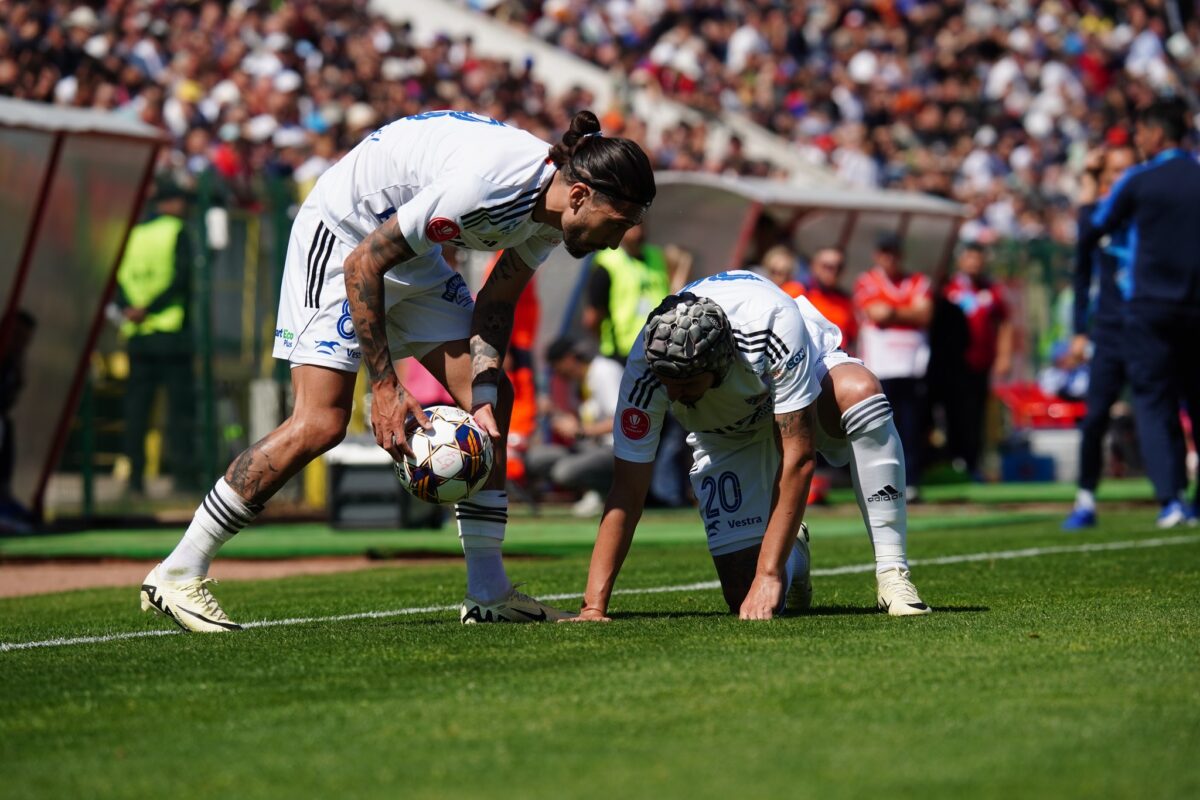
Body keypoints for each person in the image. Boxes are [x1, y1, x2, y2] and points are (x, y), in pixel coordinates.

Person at [140, 109, 656, 631]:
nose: (614, 243)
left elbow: (497, 304)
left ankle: (488, 592)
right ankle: (179, 570)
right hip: (343, 235)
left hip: (407, 254)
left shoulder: (550, 213)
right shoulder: (487, 189)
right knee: (320, 423)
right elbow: (364, 264)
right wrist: (384, 386)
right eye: (616, 225)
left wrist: (480, 389)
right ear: (580, 195)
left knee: (493, 400)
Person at [569, 270, 931, 623]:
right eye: (668, 383)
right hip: (723, 436)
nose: (673, 394)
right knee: (743, 595)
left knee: (861, 392)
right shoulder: (646, 369)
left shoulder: (771, 323)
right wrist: (593, 608)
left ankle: (892, 573)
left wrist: (769, 574)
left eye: (686, 383)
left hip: (794, 391)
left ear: (720, 363)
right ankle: (794, 547)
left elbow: (799, 456)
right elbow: (627, 488)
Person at [1080, 100, 1200, 528]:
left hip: (1151, 308)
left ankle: (1171, 500)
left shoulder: (1141, 180)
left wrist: (1089, 187)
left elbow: (1095, 225)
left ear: (1153, 133)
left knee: (1154, 402)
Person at [584, 221, 692, 508]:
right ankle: (639, 492)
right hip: (622, 355)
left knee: (669, 425)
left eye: (642, 226)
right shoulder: (607, 263)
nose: (639, 232)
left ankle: (662, 492)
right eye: (632, 227)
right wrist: (606, 343)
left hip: (660, 353)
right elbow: (593, 316)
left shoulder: (656, 258)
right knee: (636, 423)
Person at [1063, 143, 1139, 530]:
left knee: (1165, 412)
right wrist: (1080, 332)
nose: (1119, 180)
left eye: (1125, 172)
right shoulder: (1100, 217)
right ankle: (1086, 498)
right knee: (1095, 418)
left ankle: (1177, 497)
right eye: (1112, 174)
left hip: (1149, 326)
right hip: (1109, 332)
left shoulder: (1149, 211)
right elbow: (1081, 268)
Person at [114, 181, 197, 496]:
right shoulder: (177, 231)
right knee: (180, 410)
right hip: (170, 332)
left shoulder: (135, 234)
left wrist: (131, 310)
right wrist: (150, 308)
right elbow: (181, 277)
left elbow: (119, 278)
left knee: (136, 411)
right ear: (171, 202)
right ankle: (184, 478)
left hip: (137, 334)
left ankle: (135, 480)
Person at [853, 233, 933, 500]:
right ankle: (880, 481)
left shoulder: (917, 281)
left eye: (894, 252)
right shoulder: (868, 281)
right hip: (881, 366)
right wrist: (907, 311)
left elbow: (924, 314)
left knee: (911, 427)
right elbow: (876, 312)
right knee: (882, 426)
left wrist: (893, 313)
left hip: (911, 366)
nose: (890, 258)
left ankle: (910, 481)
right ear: (878, 255)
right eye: (885, 252)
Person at [525, 337, 624, 516]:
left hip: (615, 449)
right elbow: (582, 424)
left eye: (557, 366)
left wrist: (581, 431)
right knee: (536, 458)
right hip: (591, 447)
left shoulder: (604, 370)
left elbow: (622, 420)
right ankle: (596, 492)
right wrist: (554, 412)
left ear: (570, 359)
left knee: (564, 471)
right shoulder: (580, 380)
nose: (558, 373)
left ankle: (606, 493)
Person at [942, 242, 1013, 478]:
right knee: (954, 412)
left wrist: (1004, 355)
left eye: (978, 257)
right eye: (969, 257)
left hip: (981, 363)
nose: (974, 262)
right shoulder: (950, 288)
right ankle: (955, 459)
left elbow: (1004, 322)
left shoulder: (990, 290)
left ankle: (974, 462)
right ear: (961, 260)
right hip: (953, 364)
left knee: (977, 413)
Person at [0, 310, 37, 532]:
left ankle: (4, 499)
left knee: (6, 426)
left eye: (25, 338)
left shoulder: (13, 364)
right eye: (17, 336)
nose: (21, 343)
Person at [799, 247, 858, 353]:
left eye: (838, 267)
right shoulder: (797, 292)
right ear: (814, 266)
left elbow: (853, 338)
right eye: (827, 267)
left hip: (838, 360)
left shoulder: (846, 301)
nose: (833, 272)